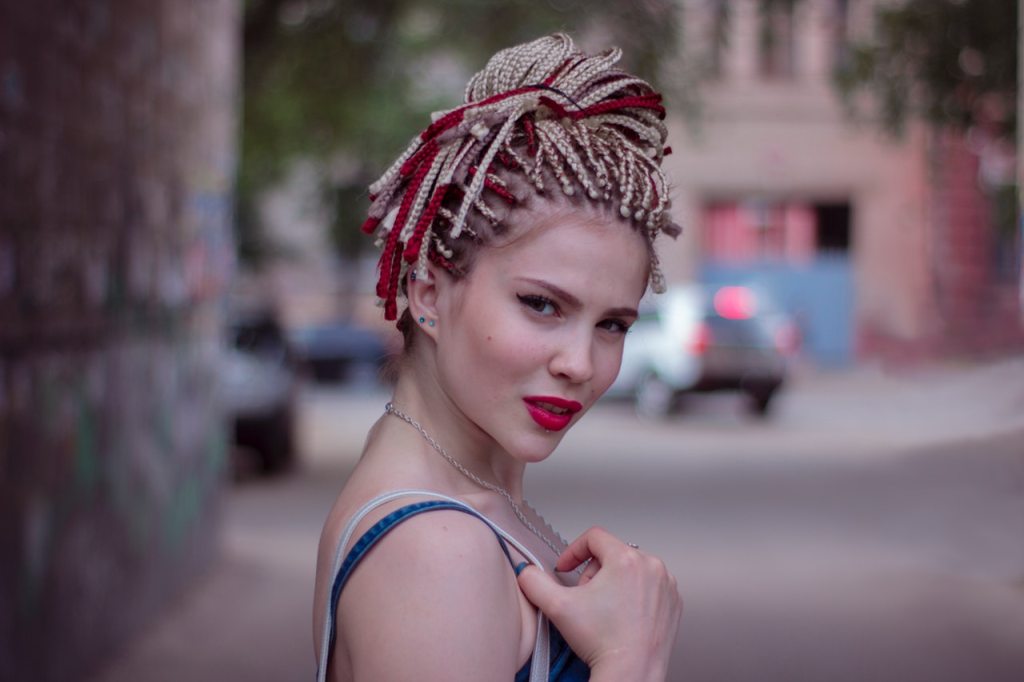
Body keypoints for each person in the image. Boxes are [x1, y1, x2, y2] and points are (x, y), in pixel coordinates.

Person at [312, 33, 683, 682]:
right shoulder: (436, 552)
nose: (580, 362)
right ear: (427, 290)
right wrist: (633, 661)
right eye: (542, 304)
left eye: (614, 324)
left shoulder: (449, 493)